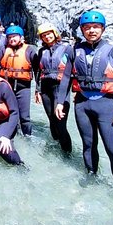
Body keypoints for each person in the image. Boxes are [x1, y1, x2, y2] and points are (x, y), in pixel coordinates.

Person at [55, 10, 113, 189]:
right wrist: (60, 102)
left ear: (102, 29)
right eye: (87, 27)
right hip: (82, 104)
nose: (92, 30)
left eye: (96, 27)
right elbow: (66, 77)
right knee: (88, 145)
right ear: (82, 30)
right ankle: (91, 175)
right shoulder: (74, 50)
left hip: (106, 105)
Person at [35, 22, 72, 152]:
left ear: (54, 33)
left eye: (49, 34)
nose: (47, 37)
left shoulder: (67, 48)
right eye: (44, 35)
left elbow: (74, 69)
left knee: (60, 122)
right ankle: (56, 146)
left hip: (61, 87)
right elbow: (38, 72)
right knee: (51, 119)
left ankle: (67, 153)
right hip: (45, 88)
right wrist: (37, 90)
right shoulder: (41, 51)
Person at [0, 25, 37, 136]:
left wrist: (38, 89)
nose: (12, 39)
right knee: (7, 113)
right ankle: (10, 135)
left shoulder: (29, 50)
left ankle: (27, 137)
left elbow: (37, 70)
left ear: (21, 37)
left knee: (24, 117)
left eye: (15, 36)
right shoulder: (4, 49)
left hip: (23, 87)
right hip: (7, 87)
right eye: (10, 37)